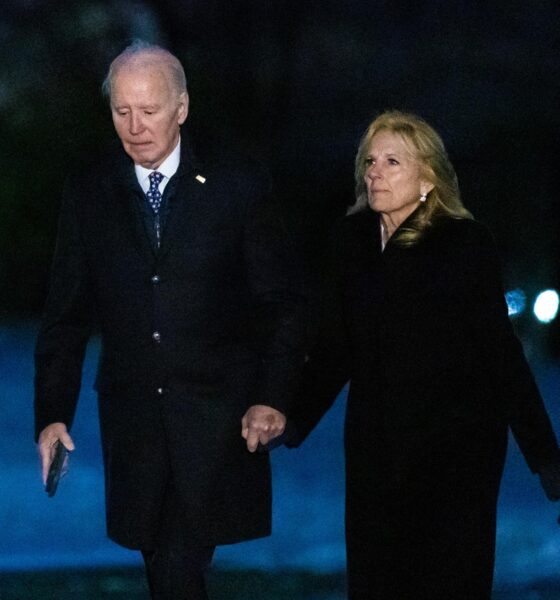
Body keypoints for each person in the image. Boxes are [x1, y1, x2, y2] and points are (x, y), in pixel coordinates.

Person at [35, 41, 306, 599]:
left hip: (217, 423)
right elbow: (66, 316)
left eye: (150, 111)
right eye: (121, 111)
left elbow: (282, 304)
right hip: (134, 426)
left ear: (181, 108)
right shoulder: (90, 191)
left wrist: (273, 396)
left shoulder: (237, 185)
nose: (135, 127)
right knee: (162, 563)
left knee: (179, 563)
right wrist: (52, 416)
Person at [286, 110, 560, 599]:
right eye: (370, 161)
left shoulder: (464, 244)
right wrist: (288, 417)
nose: (375, 171)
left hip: (455, 453)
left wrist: (544, 456)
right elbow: (336, 349)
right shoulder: (352, 242)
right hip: (376, 449)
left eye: (393, 161)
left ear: (428, 179)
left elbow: (500, 352)